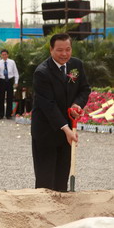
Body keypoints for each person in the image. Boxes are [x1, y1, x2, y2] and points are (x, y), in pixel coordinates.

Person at [31, 33, 90, 192]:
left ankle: (61, 211)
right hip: (46, 131)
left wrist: (77, 104)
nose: (64, 54)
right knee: (46, 178)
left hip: (68, 130)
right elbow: (48, 105)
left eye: (68, 49)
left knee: (62, 176)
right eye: (59, 50)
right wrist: (66, 129)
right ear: (51, 50)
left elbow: (84, 89)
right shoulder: (42, 72)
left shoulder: (76, 65)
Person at [0, 49, 19, 120]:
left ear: (7, 55)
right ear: (1, 55)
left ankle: (8, 114)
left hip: (10, 80)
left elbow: (16, 72)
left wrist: (16, 82)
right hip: (2, 81)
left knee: (10, 98)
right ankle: (1, 114)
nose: (4, 56)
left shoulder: (12, 62)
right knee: (1, 98)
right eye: (3, 54)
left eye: (5, 54)